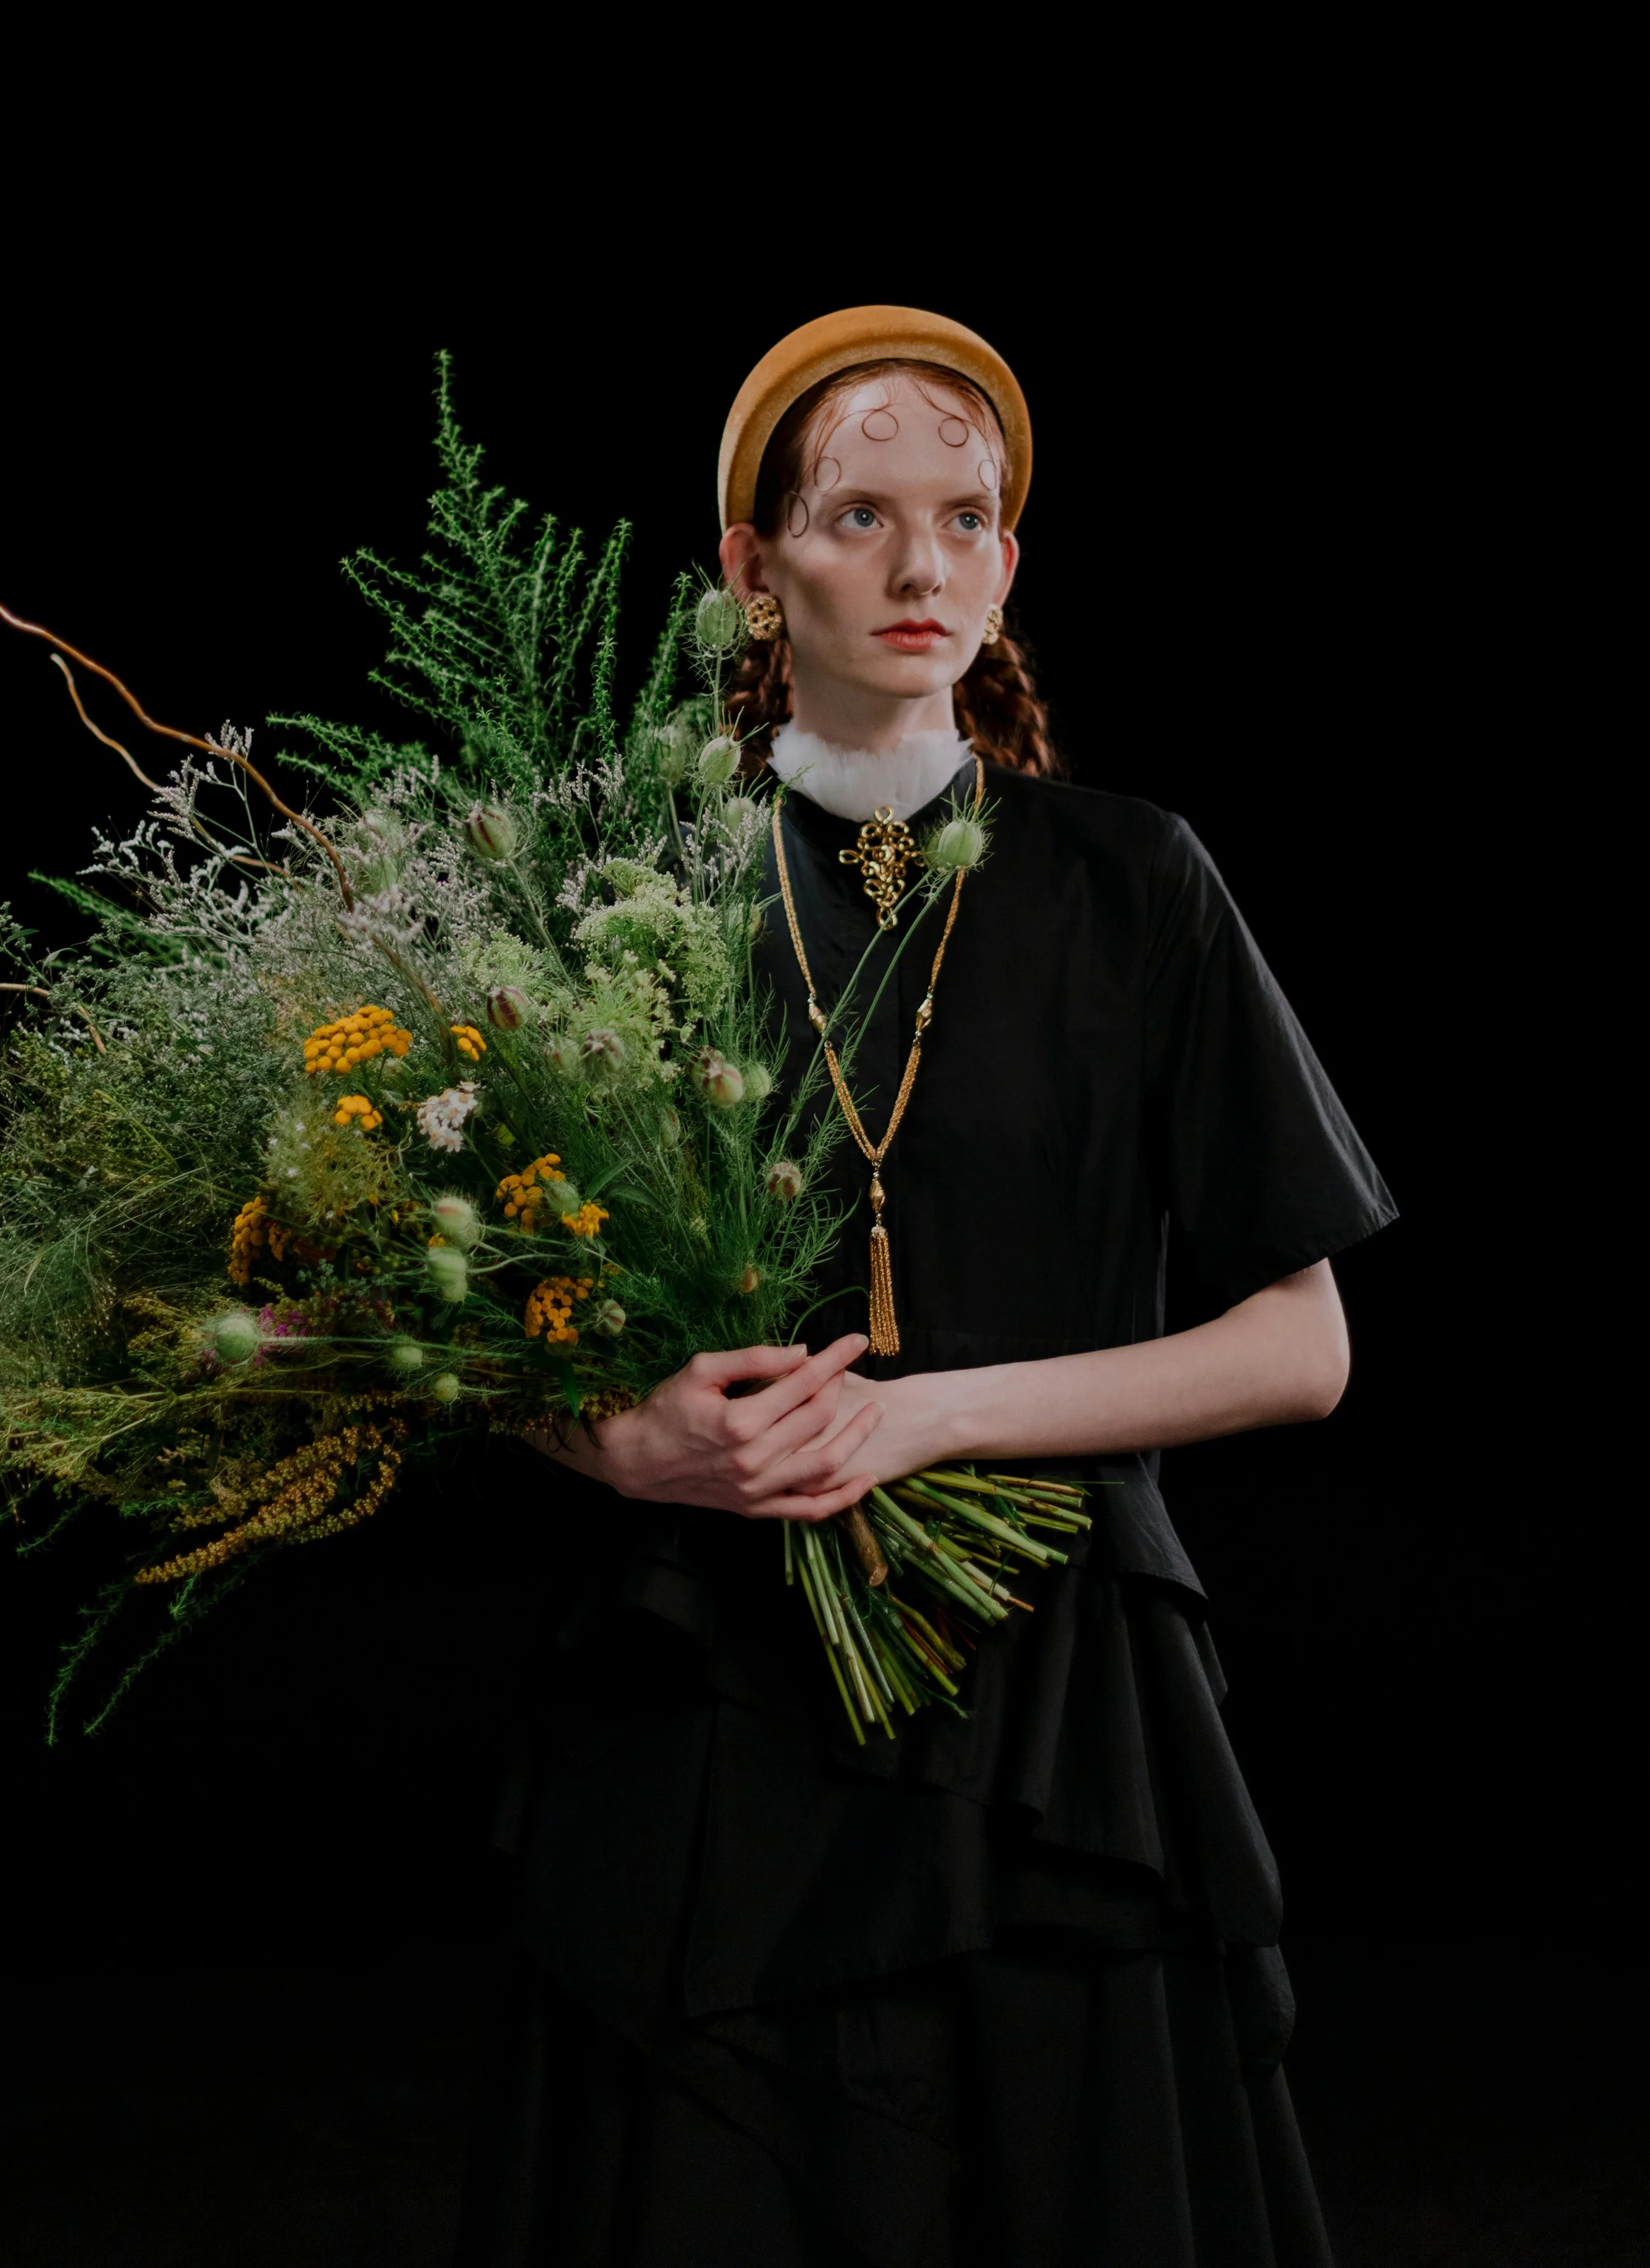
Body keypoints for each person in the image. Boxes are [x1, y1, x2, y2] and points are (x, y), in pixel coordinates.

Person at [452, 305, 1395, 2267]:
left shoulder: (1138, 880)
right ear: (748, 564)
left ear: (1012, 563)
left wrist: (928, 1412)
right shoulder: (622, 879)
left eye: (964, 520)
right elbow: (429, 1315)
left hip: (1063, 1728)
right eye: (859, 515)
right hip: (717, 1696)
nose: (918, 569)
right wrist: (616, 1441)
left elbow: (1303, 1345)